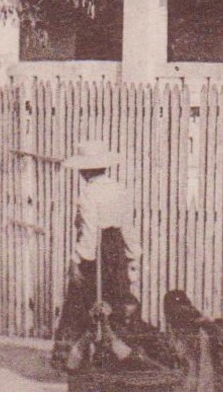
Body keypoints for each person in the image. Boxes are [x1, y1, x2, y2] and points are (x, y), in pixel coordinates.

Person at [50, 138, 143, 371]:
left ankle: (74, 359)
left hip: (97, 254)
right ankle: (111, 356)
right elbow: (127, 227)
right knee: (115, 302)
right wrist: (132, 255)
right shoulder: (120, 190)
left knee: (82, 305)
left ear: (87, 169)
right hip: (116, 251)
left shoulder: (89, 193)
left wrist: (77, 261)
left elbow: (90, 233)